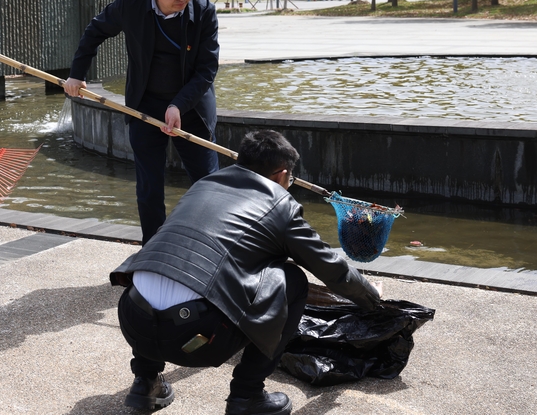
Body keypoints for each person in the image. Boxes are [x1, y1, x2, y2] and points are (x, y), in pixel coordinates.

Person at [110, 130, 382, 415]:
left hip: (133, 320)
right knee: (295, 281)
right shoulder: (281, 205)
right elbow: (330, 268)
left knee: (168, 265)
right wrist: (371, 296)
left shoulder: (204, 184)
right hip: (197, 339)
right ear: (282, 175)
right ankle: (247, 395)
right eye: (290, 180)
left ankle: (145, 382)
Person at [64, 0, 219, 243]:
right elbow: (95, 30)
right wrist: (76, 74)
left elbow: (206, 71)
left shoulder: (204, 11)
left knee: (208, 185)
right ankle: (152, 250)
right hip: (145, 105)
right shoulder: (131, 3)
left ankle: (211, 249)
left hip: (192, 108)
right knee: (148, 187)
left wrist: (178, 105)